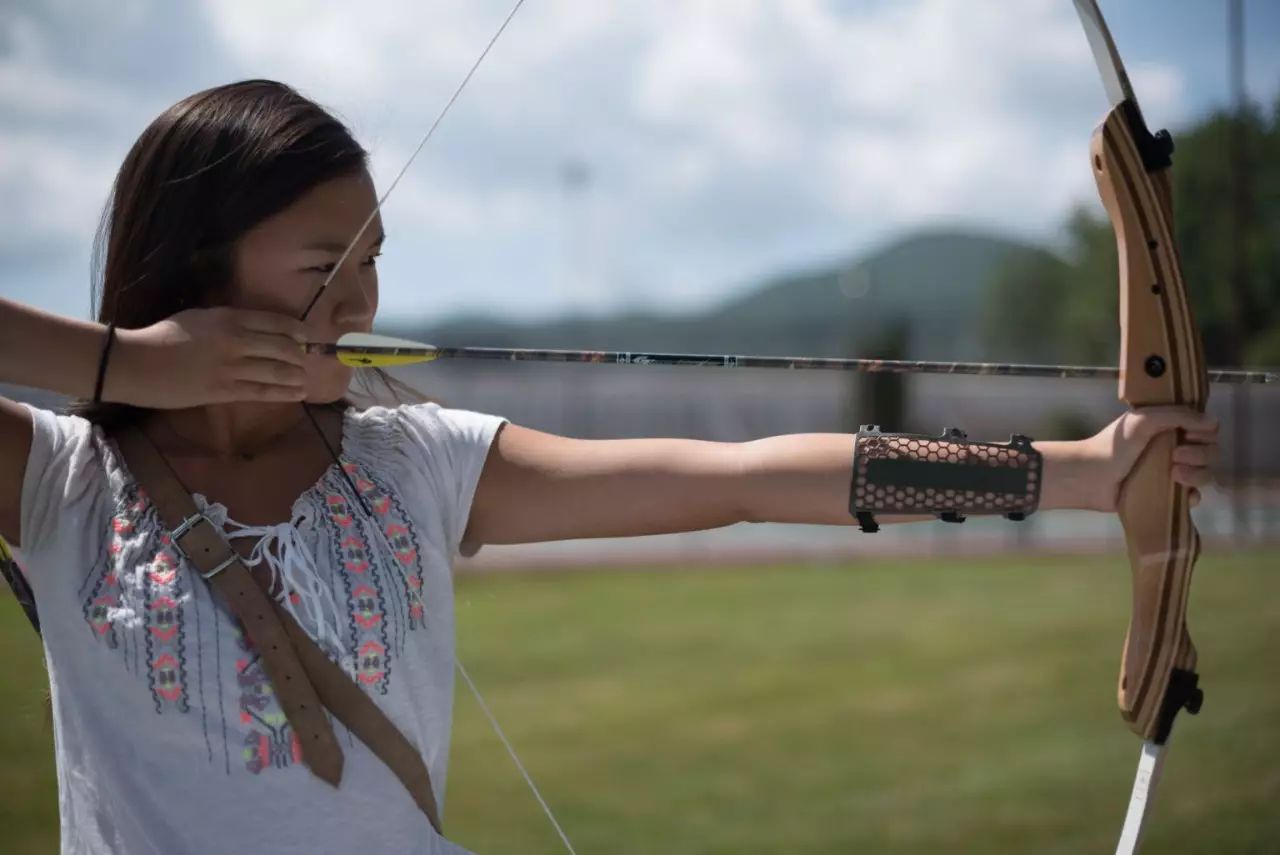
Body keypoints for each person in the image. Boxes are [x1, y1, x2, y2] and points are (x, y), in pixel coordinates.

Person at [0, 80, 1218, 855]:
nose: (361, 303)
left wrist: (1074, 470)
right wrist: (127, 368)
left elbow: (740, 475)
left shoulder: (412, 461)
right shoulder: (57, 482)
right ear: (194, 269)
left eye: (373, 262)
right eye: (323, 268)